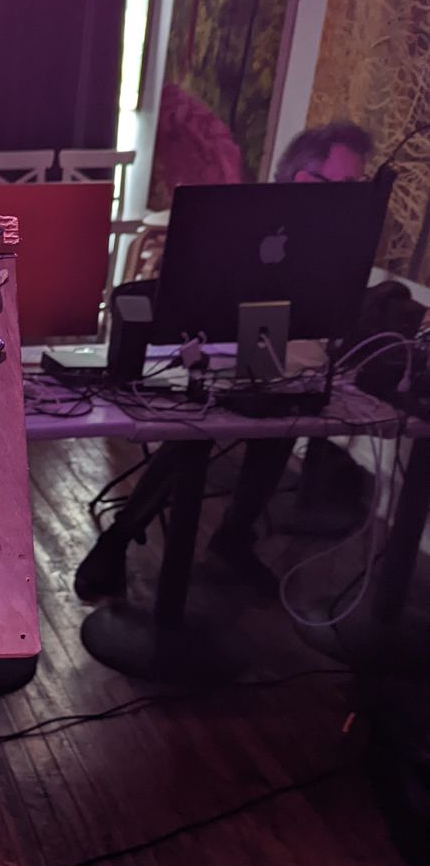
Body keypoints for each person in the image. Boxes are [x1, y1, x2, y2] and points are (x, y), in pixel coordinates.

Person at [74, 120, 374, 602]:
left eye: (358, 186)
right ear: (304, 179)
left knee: (285, 410)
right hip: (214, 345)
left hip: (287, 352)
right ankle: (121, 535)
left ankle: (233, 536)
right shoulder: (239, 218)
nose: (353, 199)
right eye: (345, 185)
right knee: (195, 427)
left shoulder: (336, 237)